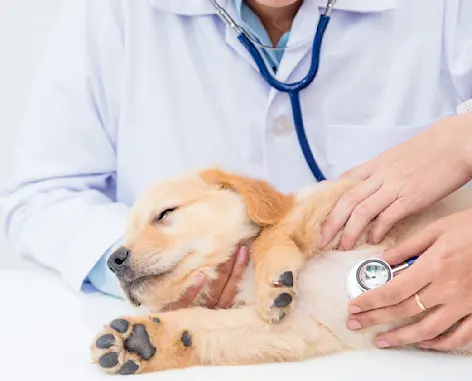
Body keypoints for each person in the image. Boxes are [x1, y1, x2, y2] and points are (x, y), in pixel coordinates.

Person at [1, 0, 472, 350]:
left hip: (411, 372)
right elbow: (42, 194)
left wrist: (463, 140)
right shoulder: (114, 13)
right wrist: (156, 272)